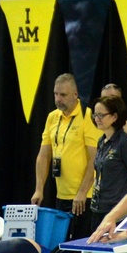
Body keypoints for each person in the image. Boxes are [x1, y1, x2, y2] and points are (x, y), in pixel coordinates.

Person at [32, 73, 99, 239]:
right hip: (62, 194)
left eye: (63, 95)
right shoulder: (52, 117)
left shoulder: (87, 116)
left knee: (80, 243)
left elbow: (95, 158)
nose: (58, 99)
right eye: (56, 94)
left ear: (75, 95)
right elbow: (43, 155)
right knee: (61, 242)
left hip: (85, 196)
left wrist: (82, 192)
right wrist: (39, 189)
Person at [80, 95, 127, 220]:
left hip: (118, 210)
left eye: (101, 115)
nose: (96, 119)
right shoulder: (101, 141)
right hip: (99, 208)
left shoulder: (125, 143)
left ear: (115, 116)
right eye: (94, 115)